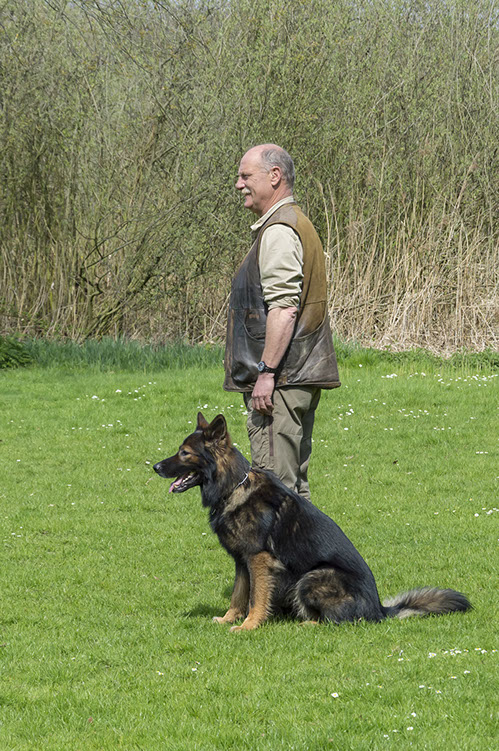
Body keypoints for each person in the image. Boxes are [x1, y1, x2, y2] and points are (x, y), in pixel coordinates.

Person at [223, 144, 340, 500]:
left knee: (275, 492)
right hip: (296, 376)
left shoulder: (279, 230)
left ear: (274, 176)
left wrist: (266, 373)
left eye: (246, 176)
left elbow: (284, 309)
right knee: (294, 495)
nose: (239, 184)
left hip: (282, 382)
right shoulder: (295, 222)